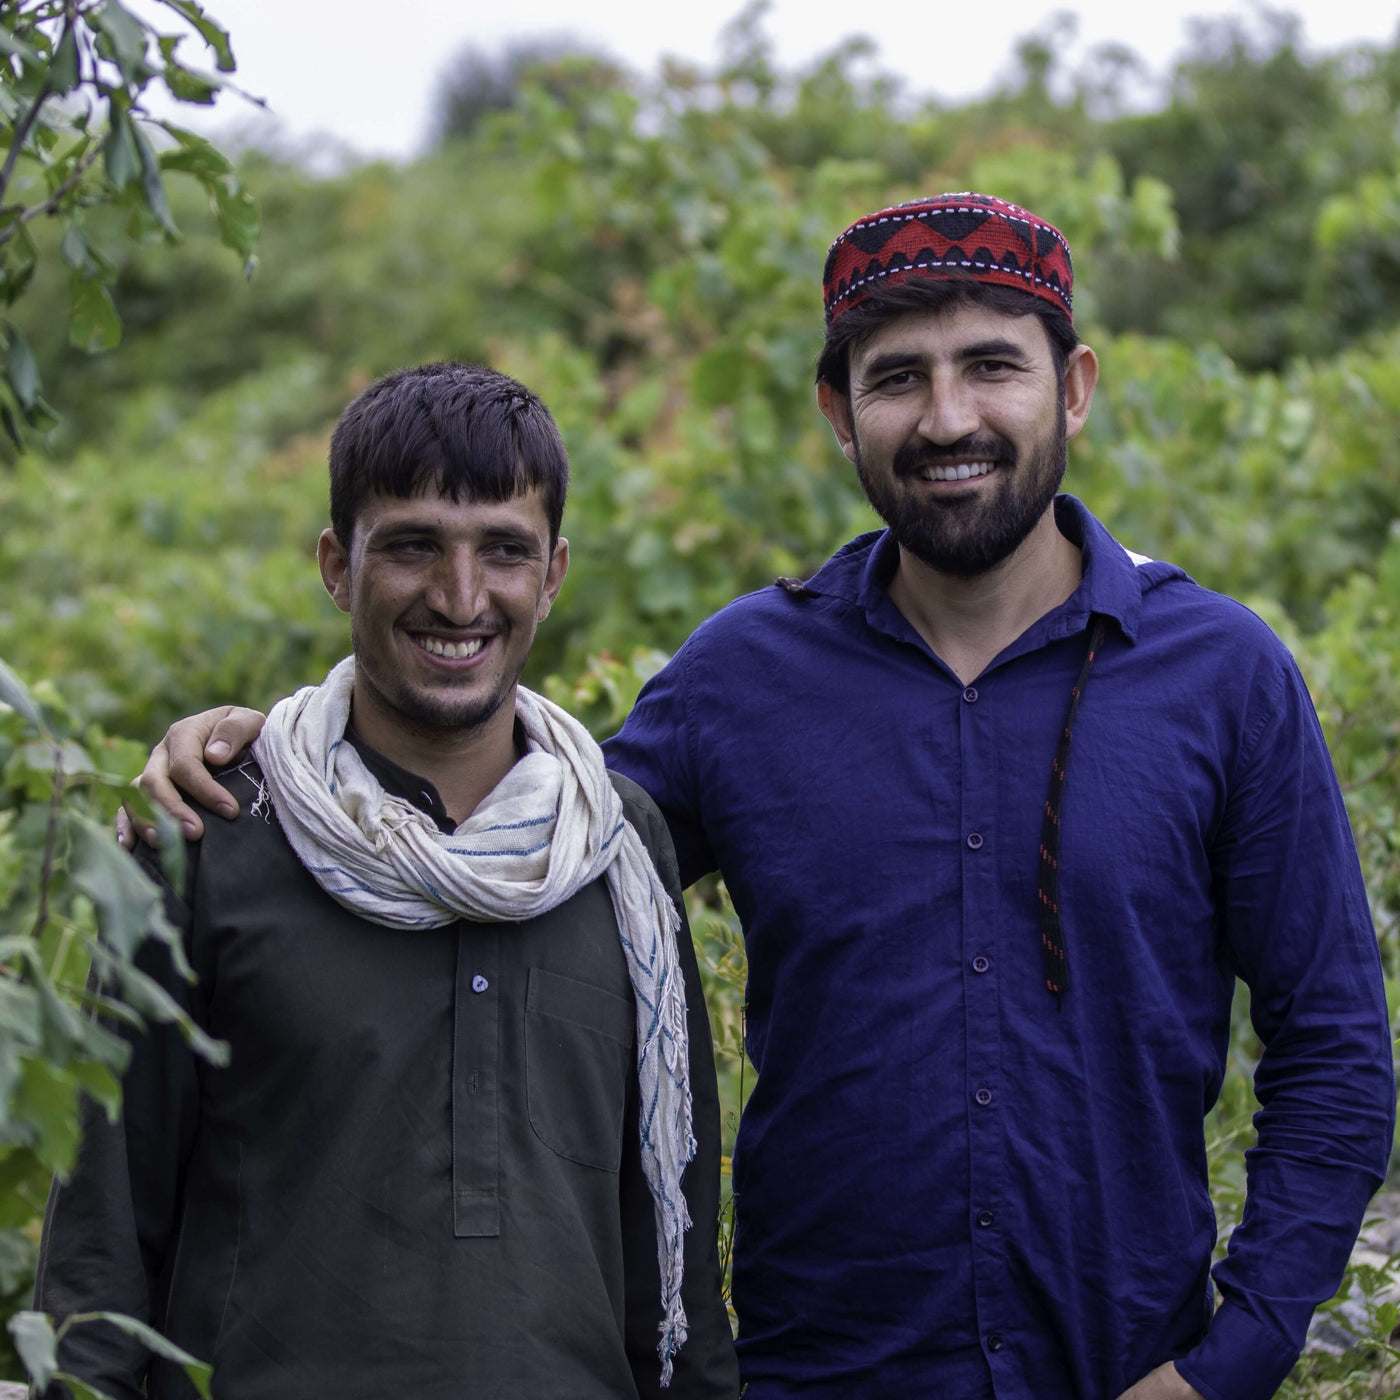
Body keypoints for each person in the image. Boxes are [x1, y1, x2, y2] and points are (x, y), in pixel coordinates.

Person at [125, 195, 1396, 1400]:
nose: (946, 415)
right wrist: (280, 746)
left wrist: (1229, 1357)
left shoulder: (1222, 677)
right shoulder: (745, 675)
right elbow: (520, 837)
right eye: (895, 376)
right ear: (838, 412)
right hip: (815, 1369)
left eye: (989, 366)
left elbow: (1334, 1048)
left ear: (1071, 387)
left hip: (1123, 1361)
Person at [38, 363, 739, 1400]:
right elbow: (97, 1256)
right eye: (413, 544)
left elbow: (670, 1266)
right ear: (336, 564)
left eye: (503, 550)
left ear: (551, 575)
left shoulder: (615, 850)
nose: (460, 597)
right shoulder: (211, 830)